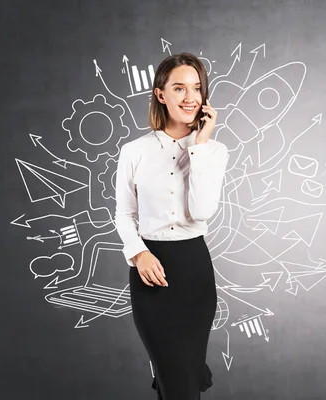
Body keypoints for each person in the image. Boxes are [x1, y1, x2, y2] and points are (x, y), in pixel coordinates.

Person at [114, 52, 229, 400]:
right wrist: (138, 253)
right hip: (151, 272)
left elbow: (201, 211)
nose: (190, 97)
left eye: (196, 88)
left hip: (194, 269)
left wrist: (200, 146)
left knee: (181, 381)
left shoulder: (214, 151)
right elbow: (124, 214)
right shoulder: (134, 151)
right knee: (174, 375)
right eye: (179, 88)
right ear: (161, 95)